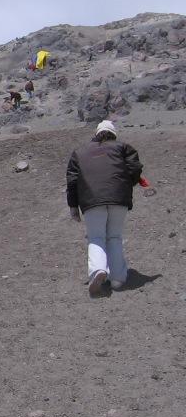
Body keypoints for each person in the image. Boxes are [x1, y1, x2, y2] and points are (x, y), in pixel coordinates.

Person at [66, 120, 143, 298]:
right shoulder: (123, 147)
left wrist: (73, 206)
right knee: (114, 236)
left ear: (97, 133)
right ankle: (118, 279)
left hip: (91, 200)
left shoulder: (79, 152)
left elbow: (72, 180)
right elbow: (135, 168)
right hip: (119, 199)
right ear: (113, 134)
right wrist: (125, 185)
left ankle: (98, 270)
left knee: (96, 237)